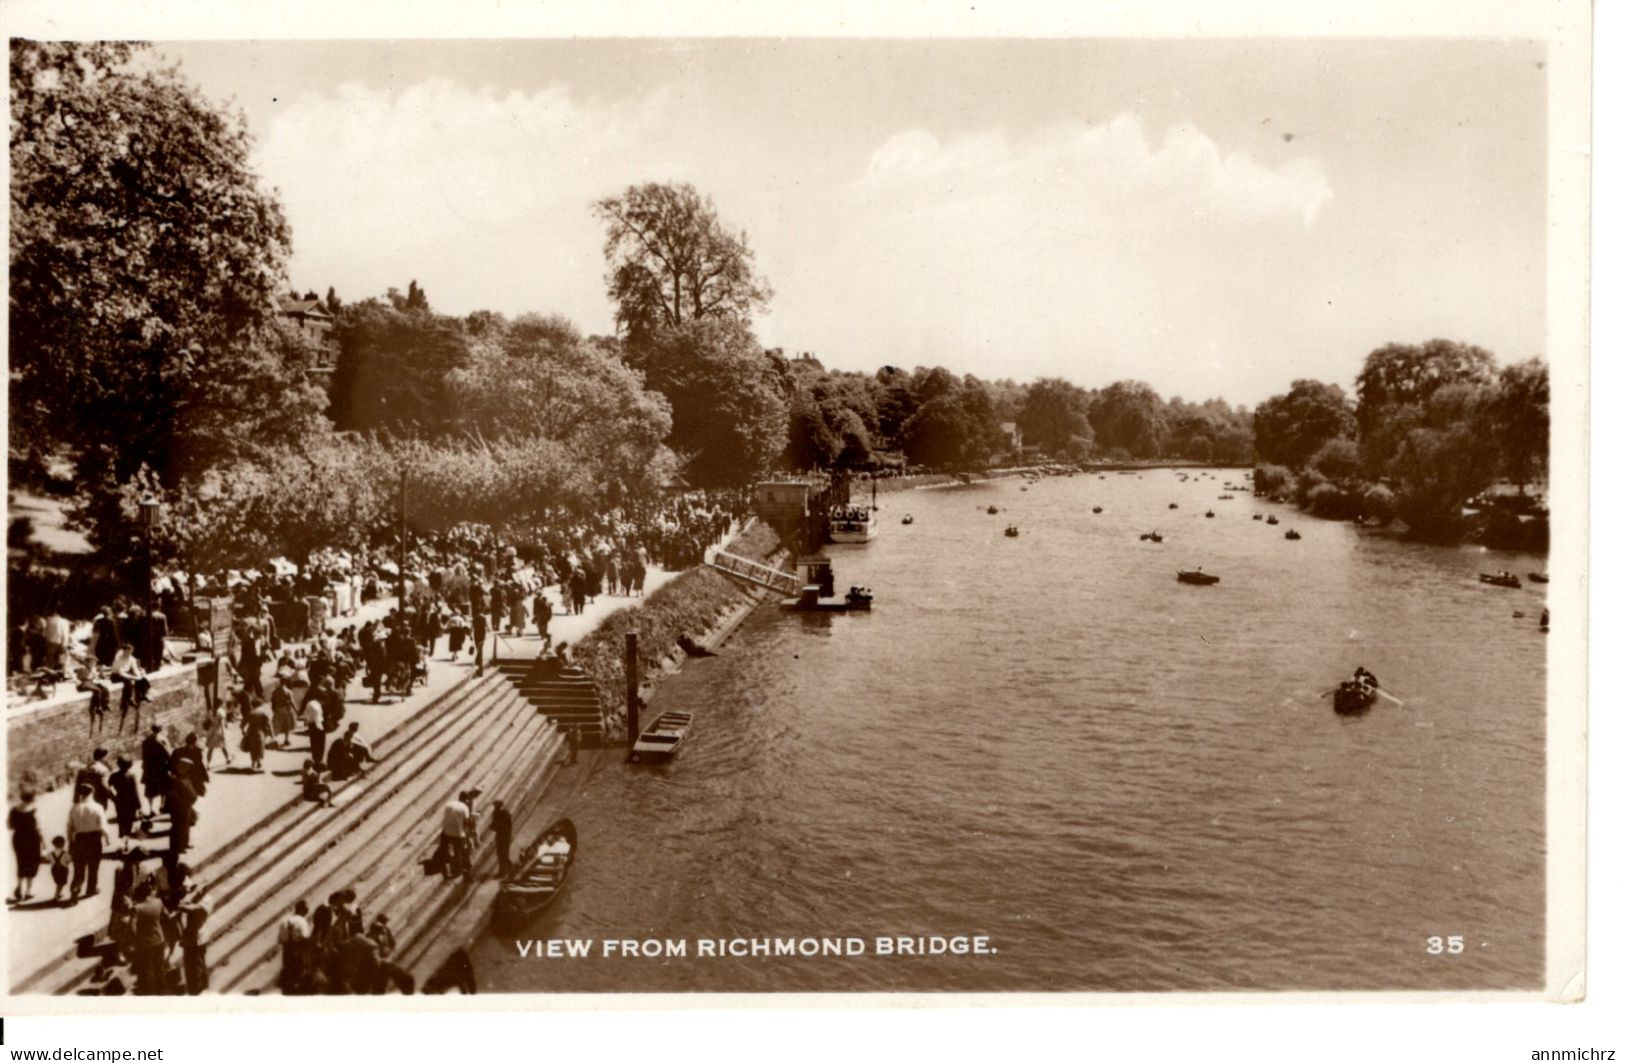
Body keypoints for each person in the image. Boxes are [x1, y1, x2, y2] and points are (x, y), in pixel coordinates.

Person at [66, 784, 109, 901]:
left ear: (80, 794)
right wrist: (107, 838)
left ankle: (75, 888)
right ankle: (91, 888)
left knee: (79, 867)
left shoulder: (74, 808)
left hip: (79, 839)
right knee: (93, 866)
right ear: (92, 792)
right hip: (94, 838)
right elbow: (103, 826)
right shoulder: (97, 807)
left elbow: (69, 827)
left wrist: (70, 841)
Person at [127, 881, 171, 995]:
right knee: (160, 967)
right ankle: (162, 991)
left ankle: (150, 993)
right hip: (159, 940)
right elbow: (166, 915)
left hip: (145, 943)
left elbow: (132, 928)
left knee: (147, 970)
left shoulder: (137, 908)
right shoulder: (158, 902)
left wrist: (133, 941)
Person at [173, 882, 211, 994]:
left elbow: (193, 908)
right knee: (196, 962)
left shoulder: (206, 902)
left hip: (198, 937)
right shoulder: (201, 898)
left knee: (196, 964)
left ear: (204, 891)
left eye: (199, 891)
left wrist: (179, 905)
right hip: (192, 936)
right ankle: (201, 985)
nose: (196, 893)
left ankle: (197, 988)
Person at [8, 788, 42, 903]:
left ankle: (18, 887)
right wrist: (44, 843)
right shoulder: (34, 810)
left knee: (21, 862)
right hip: (32, 838)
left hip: (18, 838)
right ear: (32, 798)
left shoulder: (13, 809)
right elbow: (38, 828)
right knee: (32, 863)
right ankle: (28, 891)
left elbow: (10, 826)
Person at [278, 900, 313, 994]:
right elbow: (305, 937)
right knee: (298, 974)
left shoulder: (284, 920)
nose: (307, 912)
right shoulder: (302, 921)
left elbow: (280, 939)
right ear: (302, 910)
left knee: (287, 971)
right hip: (298, 950)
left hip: (287, 950)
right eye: (306, 910)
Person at [109, 757, 142, 839]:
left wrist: (113, 797)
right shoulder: (131, 776)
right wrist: (139, 805)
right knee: (129, 821)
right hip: (130, 802)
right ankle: (126, 839)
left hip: (119, 800)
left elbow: (108, 787)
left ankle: (122, 838)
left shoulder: (113, 776)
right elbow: (135, 791)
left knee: (121, 821)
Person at [242, 698, 272, 772]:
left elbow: (242, 724)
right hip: (261, 732)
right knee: (260, 747)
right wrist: (272, 734)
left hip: (251, 732)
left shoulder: (251, 713)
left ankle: (257, 762)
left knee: (253, 747)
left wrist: (243, 732)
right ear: (260, 704)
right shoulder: (263, 713)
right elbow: (269, 724)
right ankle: (254, 764)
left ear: (253, 705)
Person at [270, 682, 298, 748]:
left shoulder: (274, 691)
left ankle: (274, 739)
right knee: (287, 725)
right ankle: (286, 739)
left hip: (278, 709)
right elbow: (291, 701)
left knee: (277, 725)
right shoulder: (288, 691)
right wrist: (296, 710)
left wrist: (273, 710)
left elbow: (273, 702)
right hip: (286, 709)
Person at [490, 799, 513, 877]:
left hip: (505, 836)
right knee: (501, 854)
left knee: (502, 854)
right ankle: (509, 867)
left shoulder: (505, 814)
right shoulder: (496, 813)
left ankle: (502, 872)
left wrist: (495, 827)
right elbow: (494, 825)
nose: (495, 807)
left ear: (499, 806)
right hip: (500, 836)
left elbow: (505, 827)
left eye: (496, 806)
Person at [303, 691, 327, 767]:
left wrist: (306, 722)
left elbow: (305, 716)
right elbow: (318, 718)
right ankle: (318, 761)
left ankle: (316, 760)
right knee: (320, 744)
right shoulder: (317, 706)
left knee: (314, 744)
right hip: (317, 725)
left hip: (311, 725)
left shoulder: (310, 703)